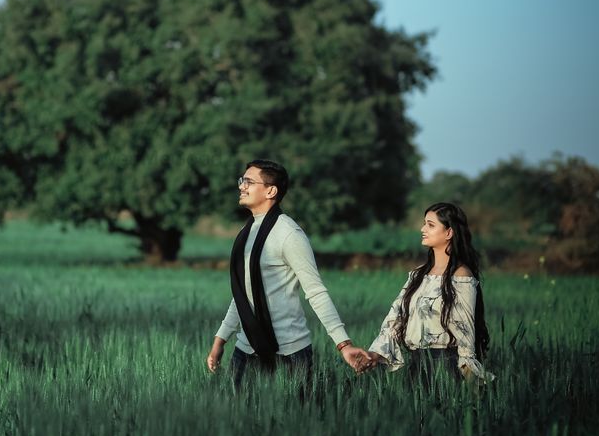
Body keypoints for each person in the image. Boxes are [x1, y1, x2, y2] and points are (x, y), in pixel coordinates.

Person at [206, 159, 371, 389]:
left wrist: (344, 344)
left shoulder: (289, 234)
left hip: (289, 353)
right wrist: (221, 339)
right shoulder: (247, 231)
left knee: (291, 422)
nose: (241, 186)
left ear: (271, 191)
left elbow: (315, 292)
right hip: (245, 350)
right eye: (241, 180)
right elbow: (245, 293)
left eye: (249, 181)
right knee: (240, 421)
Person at [365, 202, 494, 384]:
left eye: (430, 225)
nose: (422, 228)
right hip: (416, 367)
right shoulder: (418, 275)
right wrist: (374, 355)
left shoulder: (461, 276)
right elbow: (396, 317)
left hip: (446, 368)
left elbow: (465, 335)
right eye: (424, 223)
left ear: (449, 233)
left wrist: (474, 389)